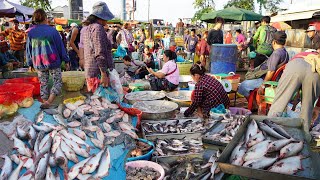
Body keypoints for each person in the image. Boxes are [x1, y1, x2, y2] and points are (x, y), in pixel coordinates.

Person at [268, 48, 320, 140]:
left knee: (279, 103)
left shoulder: (300, 55)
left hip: (295, 66)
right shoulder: (317, 61)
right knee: (307, 109)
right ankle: (304, 138)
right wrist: (317, 107)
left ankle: (268, 131)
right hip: (315, 72)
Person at [26, 9, 69, 108]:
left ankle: (44, 101)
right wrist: (66, 60)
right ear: (45, 18)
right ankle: (49, 101)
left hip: (38, 62)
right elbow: (60, 47)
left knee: (43, 83)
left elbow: (28, 49)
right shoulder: (53, 31)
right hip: (53, 61)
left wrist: (30, 64)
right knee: (57, 81)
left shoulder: (31, 33)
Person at [238, 31, 289, 99]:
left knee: (243, 85)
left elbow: (271, 72)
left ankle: (253, 104)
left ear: (274, 42)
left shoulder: (276, 54)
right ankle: (254, 102)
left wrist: (263, 86)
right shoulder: (285, 52)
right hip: (276, 79)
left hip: (269, 80)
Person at [80, 1, 115, 93]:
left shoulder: (88, 28)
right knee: (102, 102)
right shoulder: (98, 28)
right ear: (102, 17)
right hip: (97, 73)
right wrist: (103, 73)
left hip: (92, 71)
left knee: (96, 101)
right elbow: (99, 52)